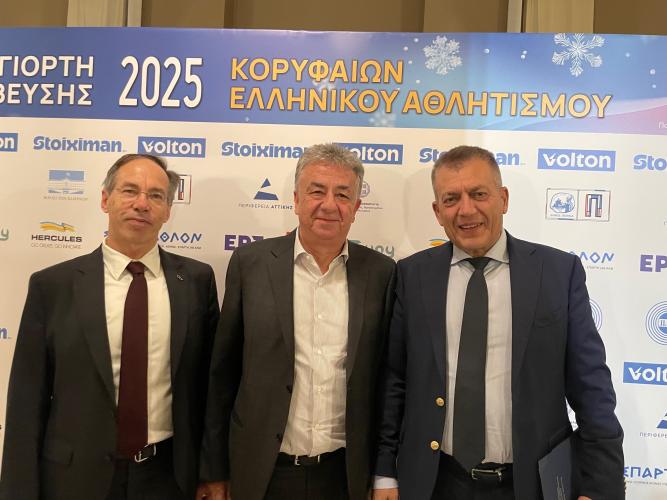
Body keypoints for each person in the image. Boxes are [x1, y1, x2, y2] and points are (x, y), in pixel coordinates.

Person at [373, 146, 624, 500]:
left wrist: (600, 487)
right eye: (451, 199)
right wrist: (385, 471)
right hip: (435, 483)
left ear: (503, 199)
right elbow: (395, 380)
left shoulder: (558, 273)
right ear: (437, 211)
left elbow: (591, 387)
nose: (466, 210)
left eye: (478, 194)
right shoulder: (412, 275)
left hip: (531, 485)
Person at [0, 154, 220, 500]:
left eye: (156, 195)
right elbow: (27, 400)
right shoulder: (53, 286)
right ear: (106, 199)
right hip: (73, 480)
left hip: (168, 479)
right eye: (129, 191)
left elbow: (211, 388)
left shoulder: (196, 281)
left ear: (167, 210)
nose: (141, 204)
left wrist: (211, 472)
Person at [197, 143, 396, 500]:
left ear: (356, 208)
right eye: (317, 191)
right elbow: (222, 375)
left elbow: (386, 381)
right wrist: (214, 471)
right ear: (296, 200)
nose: (329, 204)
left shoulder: (381, 273)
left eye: (343, 195)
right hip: (263, 472)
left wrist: (383, 474)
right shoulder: (250, 264)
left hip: (345, 474)